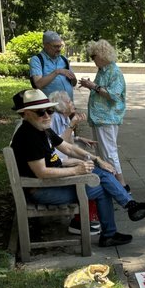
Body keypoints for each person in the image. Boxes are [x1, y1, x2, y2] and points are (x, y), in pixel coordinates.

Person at [9, 89, 145, 248]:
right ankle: (126, 214)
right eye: (41, 112)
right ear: (26, 113)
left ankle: (122, 218)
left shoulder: (41, 128)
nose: (47, 115)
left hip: (52, 182)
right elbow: (42, 172)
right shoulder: (28, 135)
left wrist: (96, 158)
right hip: (42, 190)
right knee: (102, 184)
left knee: (101, 177)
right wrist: (77, 170)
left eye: (49, 110)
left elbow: (68, 148)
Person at [78, 40, 128, 190]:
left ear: (101, 55)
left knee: (109, 152)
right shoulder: (103, 70)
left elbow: (113, 95)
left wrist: (93, 86)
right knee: (102, 152)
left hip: (107, 118)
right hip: (99, 117)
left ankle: (122, 185)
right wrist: (91, 86)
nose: (92, 59)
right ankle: (111, 183)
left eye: (93, 56)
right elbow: (101, 91)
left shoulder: (114, 72)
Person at [49, 90, 100, 236]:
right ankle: (83, 220)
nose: (73, 104)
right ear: (61, 105)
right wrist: (72, 124)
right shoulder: (55, 118)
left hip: (60, 159)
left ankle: (90, 218)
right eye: (70, 102)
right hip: (59, 161)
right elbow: (58, 143)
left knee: (95, 168)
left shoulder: (63, 118)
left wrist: (80, 139)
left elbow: (65, 140)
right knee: (95, 176)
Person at [29, 31, 77, 99]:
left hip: (68, 106)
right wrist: (57, 72)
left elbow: (74, 83)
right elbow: (38, 84)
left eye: (60, 46)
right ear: (46, 45)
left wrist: (73, 78)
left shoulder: (63, 59)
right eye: (55, 46)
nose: (59, 49)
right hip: (50, 108)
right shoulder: (37, 60)